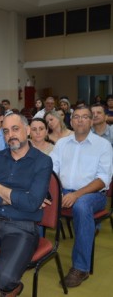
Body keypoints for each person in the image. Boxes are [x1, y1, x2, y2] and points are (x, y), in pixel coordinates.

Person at [0, 113, 53, 297]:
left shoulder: (43, 161)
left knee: (3, 278)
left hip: (22, 228)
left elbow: (32, 204)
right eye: (6, 131)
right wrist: (16, 197)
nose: (10, 135)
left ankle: (10, 286)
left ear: (27, 130)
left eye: (15, 129)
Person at [50, 105, 113, 288]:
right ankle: (31, 252)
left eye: (85, 117)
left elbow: (103, 179)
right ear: (71, 120)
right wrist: (57, 192)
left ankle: (81, 267)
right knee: (38, 198)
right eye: (76, 116)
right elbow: (52, 170)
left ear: (91, 121)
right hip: (64, 192)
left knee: (81, 206)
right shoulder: (62, 144)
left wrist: (76, 195)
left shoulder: (103, 145)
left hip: (93, 195)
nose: (80, 120)